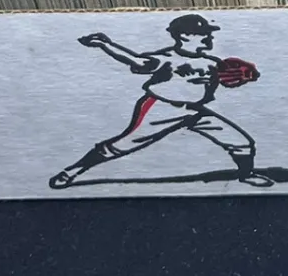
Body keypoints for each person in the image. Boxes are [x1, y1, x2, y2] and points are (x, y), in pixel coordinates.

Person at [51, 14, 271, 189]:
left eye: (208, 33)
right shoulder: (166, 58)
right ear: (184, 36)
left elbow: (226, 80)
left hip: (195, 110)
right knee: (122, 145)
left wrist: (243, 77)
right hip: (161, 108)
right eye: (203, 33)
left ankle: (246, 174)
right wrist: (106, 45)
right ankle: (72, 171)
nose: (208, 37)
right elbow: (137, 60)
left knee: (240, 142)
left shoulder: (212, 62)